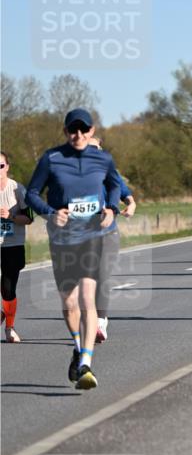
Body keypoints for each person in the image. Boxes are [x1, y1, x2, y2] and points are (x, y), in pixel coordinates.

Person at [25, 108, 121, 390]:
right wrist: (50, 212)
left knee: (87, 301)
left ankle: (86, 365)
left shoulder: (102, 159)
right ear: (66, 132)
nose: (78, 135)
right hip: (62, 239)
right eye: (72, 130)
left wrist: (112, 209)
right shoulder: (51, 159)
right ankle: (79, 348)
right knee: (69, 304)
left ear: (91, 131)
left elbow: (115, 185)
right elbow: (32, 193)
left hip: (92, 235)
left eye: (83, 129)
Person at [87, 135, 136, 343]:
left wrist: (131, 205)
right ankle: (86, 320)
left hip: (108, 232)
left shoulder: (108, 171)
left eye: (96, 149)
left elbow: (126, 195)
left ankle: (100, 320)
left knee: (103, 276)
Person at [0, 151, 33, 342]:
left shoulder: (18, 190)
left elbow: (29, 218)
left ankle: (10, 328)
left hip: (12, 245)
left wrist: (10, 216)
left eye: (1, 166)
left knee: (7, 289)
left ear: (7, 167)